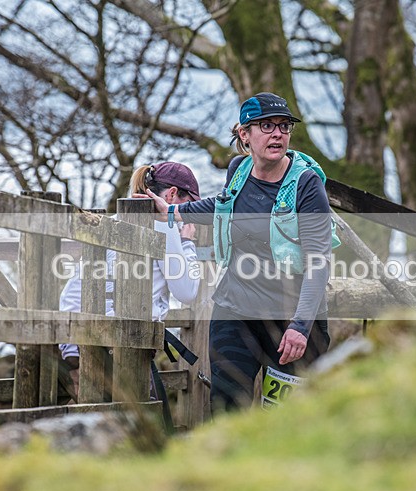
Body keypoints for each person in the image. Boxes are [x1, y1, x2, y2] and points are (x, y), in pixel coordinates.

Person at [143, 92, 333, 412]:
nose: (278, 134)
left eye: (284, 127)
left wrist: (301, 327)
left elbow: (319, 261)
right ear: (245, 134)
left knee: (285, 419)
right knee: (227, 410)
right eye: (267, 126)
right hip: (235, 312)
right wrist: (175, 212)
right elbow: (220, 207)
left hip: (290, 320)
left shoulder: (306, 184)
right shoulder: (238, 171)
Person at [58, 161, 201, 398]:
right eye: (189, 205)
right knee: (142, 426)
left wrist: (71, 351)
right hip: (128, 346)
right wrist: (187, 243)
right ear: (173, 194)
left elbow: (73, 290)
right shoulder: (165, 228)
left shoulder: (114, 220)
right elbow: (187, 291)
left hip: (79, 342)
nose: (189, 214)